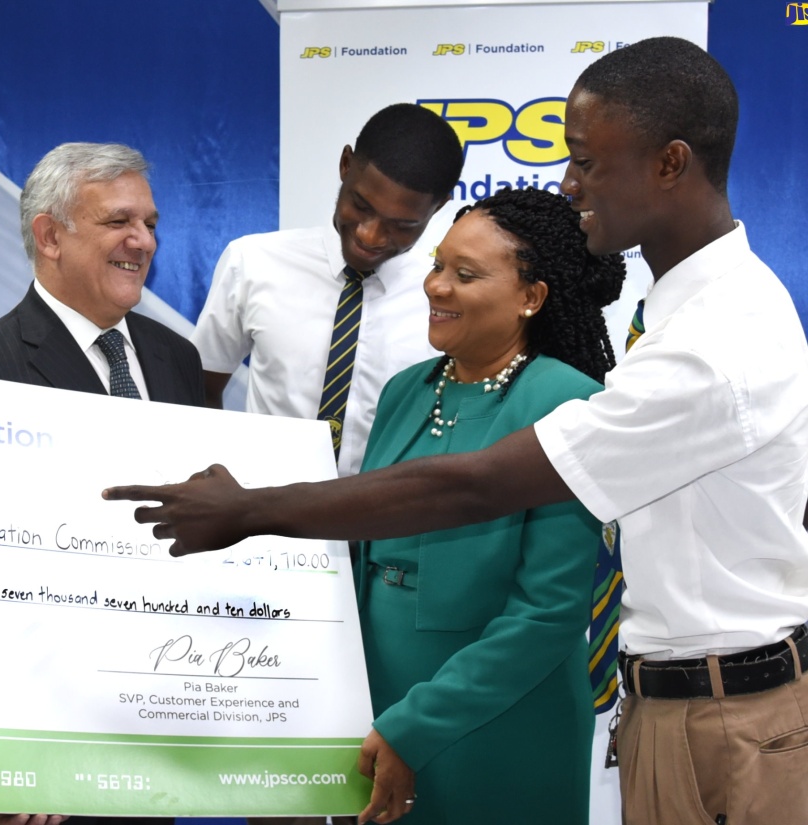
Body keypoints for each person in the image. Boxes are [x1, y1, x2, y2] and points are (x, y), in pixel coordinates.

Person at [105, 37, 808, 825]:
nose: (570, 181)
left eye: (587, 161)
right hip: (664, 703)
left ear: (670, 164)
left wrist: (253, 509)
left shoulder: (717, 338)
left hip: (717, 716)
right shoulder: (668, 315)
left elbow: (478, 488)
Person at [0, 142, 202, 825]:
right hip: (33, 757)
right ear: (49, 236)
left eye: (149, 222)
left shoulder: (178, 359)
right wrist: (9, 753)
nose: (142, 240)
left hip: (150, 729)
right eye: (119, 221)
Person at [354, 186, 624, 824]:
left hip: (502, 728)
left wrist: (413, 728)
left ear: (532, 298)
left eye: (465, 274)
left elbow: (546, 615)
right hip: (374, 716)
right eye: (437, 265)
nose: (436, 287)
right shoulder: (402, 391)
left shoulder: (568, 404)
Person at [192, 103, 463, 477]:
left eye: (401, 225)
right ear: (345, 164)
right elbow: (201, 388)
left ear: (439, 207)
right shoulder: (253, 261)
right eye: (360, 205)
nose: (370, 235)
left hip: (389, 523)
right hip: (265, 516)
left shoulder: (448, 298)